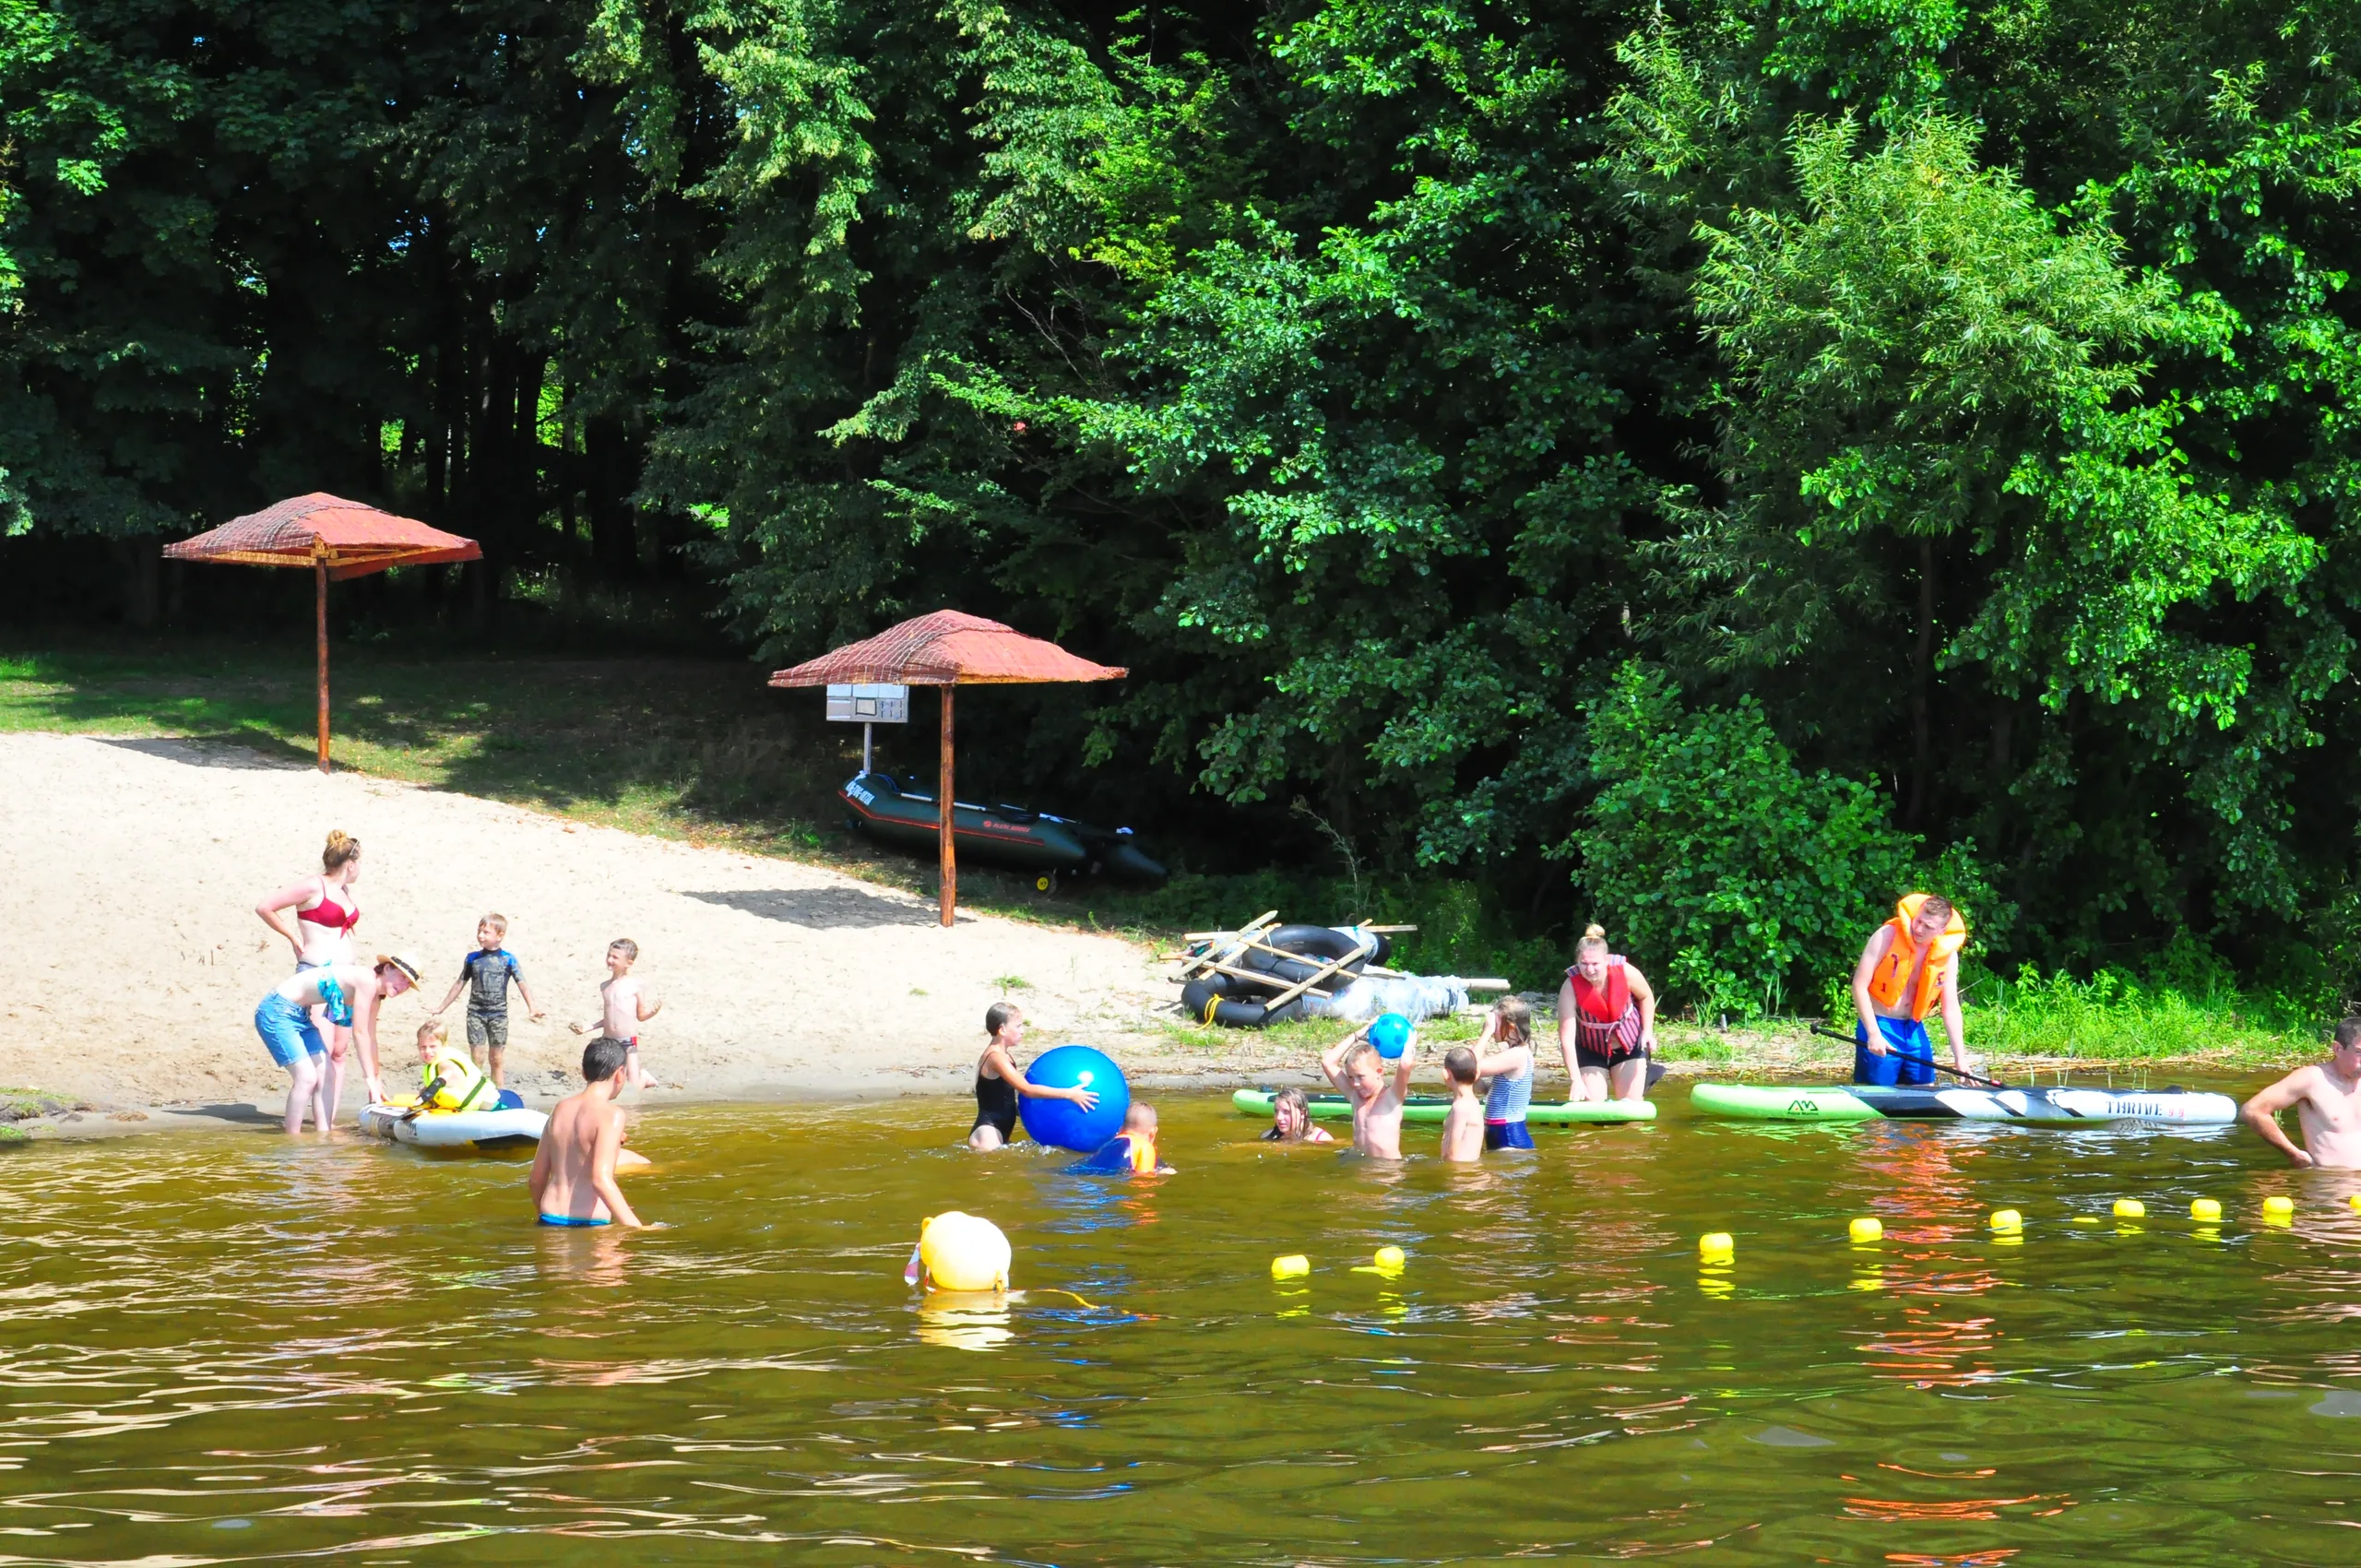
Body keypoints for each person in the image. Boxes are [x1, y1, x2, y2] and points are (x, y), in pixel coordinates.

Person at [255, 829, 365, 1119]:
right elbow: (265, 907)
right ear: (351, 863)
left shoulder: (344, 891)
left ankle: (326, 1124)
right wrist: (292, 937)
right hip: (316, 975)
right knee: (323, 1052)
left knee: (340, 1052)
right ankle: (312, 1127)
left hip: (345, 981)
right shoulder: (312, 886)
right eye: (360, 863)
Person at [251, 954, 421, 1134]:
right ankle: (293, 1141)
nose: (403, 986)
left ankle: (323, 1136)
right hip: (276, 1011)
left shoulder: (375, 997)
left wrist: (377, 1079)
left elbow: (371, 1039)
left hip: (301, 1015)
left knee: (327, 1074)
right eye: (403, 977)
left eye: (409, 984)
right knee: (307, 1078)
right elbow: (360, 1032)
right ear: (387, 968)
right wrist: (369, 1080)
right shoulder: (367, 980)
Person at [1850, 894, 1970, 1087]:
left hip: (1913, 1028)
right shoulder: (1886, 936)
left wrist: (1960, 1059)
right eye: (1918, 920)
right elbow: (1859, 986)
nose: (1918, 929)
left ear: (1942, 930)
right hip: (1881, 1024)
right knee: (1878, 1093)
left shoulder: (1947, 955)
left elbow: (1950, 1008)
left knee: (1924, 1089)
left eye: (1928, 927)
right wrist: (1873, 1033)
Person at [528, 1037, 647, 1228]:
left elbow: (536, 1179)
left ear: (584, 1073)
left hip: (549, 1217)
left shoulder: (560, 1109)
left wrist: (540, 1215)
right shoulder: (612, 1115)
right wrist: (639, 1228)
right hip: (590, 1223)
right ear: (620, 1073)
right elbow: (600, 1179)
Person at [431, 914, 545, 1089]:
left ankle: (498, 1094)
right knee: (477, 1057)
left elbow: (522, 984)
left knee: (496, 1058)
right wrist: (441, 1007)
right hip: (475, 1013)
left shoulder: (508, 959)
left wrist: (532, 1008)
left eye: (486, 932)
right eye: (479, 931)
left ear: (500, 936)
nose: (480, 936)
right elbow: (459, 983)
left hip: (498, 1015)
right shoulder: (472, 959)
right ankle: (474, 1092)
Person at [967, 1002, 1099, 1150]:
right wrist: (1069, 1094)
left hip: (998, 1131)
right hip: (987, 1135)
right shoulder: (996, 1058)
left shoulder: (1003, 1056)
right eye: (1018, 1026)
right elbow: (1026, 1089)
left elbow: (1003, 1101)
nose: (1022, 1031)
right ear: (1002, 1029)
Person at [2240, 1018, 2361, 1170]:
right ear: (2338, 1049)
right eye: (2359, 1052)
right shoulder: (2312, 1079)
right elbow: (2252, 1110)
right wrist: (2294, 1154)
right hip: (2331, 1185)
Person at [1559, 925, 1658, 1101]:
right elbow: (1566, 1038)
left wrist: (1648, 1031)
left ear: (1605, 960)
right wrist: (1576, 1080)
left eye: (1595, 964)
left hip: (1628, 1046)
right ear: (1577, 962)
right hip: (1591, 1049)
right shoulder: (1570, 986)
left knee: (1630, 1112)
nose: (1589, 970)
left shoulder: (1625, 971)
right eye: (1584, 964)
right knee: (1594, 1112)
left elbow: (1646, 997)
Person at [570, 938, 661, 1091]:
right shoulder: (605, 986)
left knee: (633, 1087)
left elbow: (640, 1016)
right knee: (607, 1081)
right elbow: (609, 1017)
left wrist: (653, 1012)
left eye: (615, 957)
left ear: (628, 963)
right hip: (609, 1041)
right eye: (609, 955)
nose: (610, 960)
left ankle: (643, 1077)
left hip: (627, 1041)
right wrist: (589, 1027)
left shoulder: (635, 985)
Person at [1319, 1019, 1417, 1159]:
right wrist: (1356, 1035)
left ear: (1379, 1071)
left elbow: (1406, 1064)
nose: (1355, 1084)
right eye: (1351, 1077)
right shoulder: (1355, 1097)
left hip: (1387, 1170)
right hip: (1360, 1166)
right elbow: (1328, 1062)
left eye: (1360, 1077)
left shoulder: (1393, 1096)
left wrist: (1409, 1045)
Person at [1474, 997, 1536, 1149]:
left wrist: (1486, 1032)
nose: (1493, 1027)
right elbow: (1484, 1085)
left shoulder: (1517, 1055)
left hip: (1509, 1136)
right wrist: (1475, 1081)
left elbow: (1468, 1066)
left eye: (1496, 1023)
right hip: (1504, 1133)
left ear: (1511, 1027)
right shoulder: (1517, 1054)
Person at [1067, 1102, 1174, 1173]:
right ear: (1153, 1132)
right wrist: (1161, 1173)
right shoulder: (1145, 1146)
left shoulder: (1108, 1144)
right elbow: (1143, 1180)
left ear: (1121, 1128)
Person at [1439, 1047, 1484, 1162]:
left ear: (1446, 1074)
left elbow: (1452, 1154)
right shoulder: (1472, 1102)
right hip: (1469, 1173)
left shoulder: (1460, 1107)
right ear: (1477, 1073)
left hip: (1460, 1174)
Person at [1262, 1086, 1335, 1144]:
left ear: (1302, 1113)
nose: (1279, 1117)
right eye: (1276, 1111)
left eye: (1286, 1111)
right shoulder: (1266, 1137)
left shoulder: (1323, 1139)